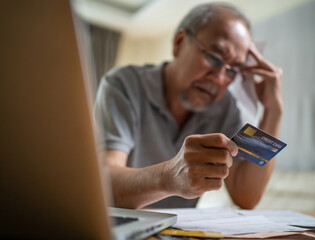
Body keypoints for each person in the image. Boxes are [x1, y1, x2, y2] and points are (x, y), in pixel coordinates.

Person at [94, 2, 283, 209]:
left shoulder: (225, 106)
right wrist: (169, 177)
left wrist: (272, 112)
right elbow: (102, 183)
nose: (220, 79)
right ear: (179, 42)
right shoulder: (123, 83)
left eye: (233, 70)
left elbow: (246, 197)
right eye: (214, 57)